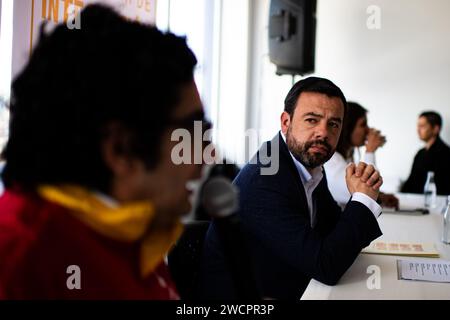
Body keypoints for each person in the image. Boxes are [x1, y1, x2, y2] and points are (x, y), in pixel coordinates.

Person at [0, 5, 208, 299]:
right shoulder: (18, 263)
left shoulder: (125, 237)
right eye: (192, 133)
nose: (206, 155)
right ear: (120, 149)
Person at [198, 77, 383, 299]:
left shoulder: (308, 165)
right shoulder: (264, 180)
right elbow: (327, 266)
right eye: (312, 120)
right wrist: (362, 198)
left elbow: (335, 234)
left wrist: (360, 197)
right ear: (286, 122)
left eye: (333, 124)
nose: (323, 133)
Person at [324, 102, 399, 209]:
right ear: (348, 127)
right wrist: (370, 151)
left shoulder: (347, 156)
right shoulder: (332, 160)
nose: (368, 130)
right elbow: (362, 192)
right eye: (363, 124)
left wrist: (381, 196)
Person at [401, 111, 450, 195]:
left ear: (435, 129)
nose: (418, 130)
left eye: (422, 126)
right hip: (414, 202)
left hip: (435, 203)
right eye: (418, 126)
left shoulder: (446, 153)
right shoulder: (420, 153)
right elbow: (411, 181)